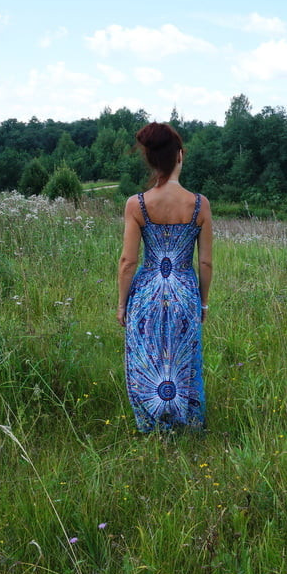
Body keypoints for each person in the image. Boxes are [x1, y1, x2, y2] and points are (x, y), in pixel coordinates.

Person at [117, 122, 213, 431]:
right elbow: (206, 262)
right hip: (185, 289)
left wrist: (122, 304)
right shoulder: (200, 204)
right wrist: (203, 303)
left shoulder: (137, 204)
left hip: (147, 292)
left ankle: (152, 423)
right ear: (180, 156)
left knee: (148, 356)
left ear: (150, 159)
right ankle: (187, 423)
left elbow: (128, 261)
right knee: (183, 355)